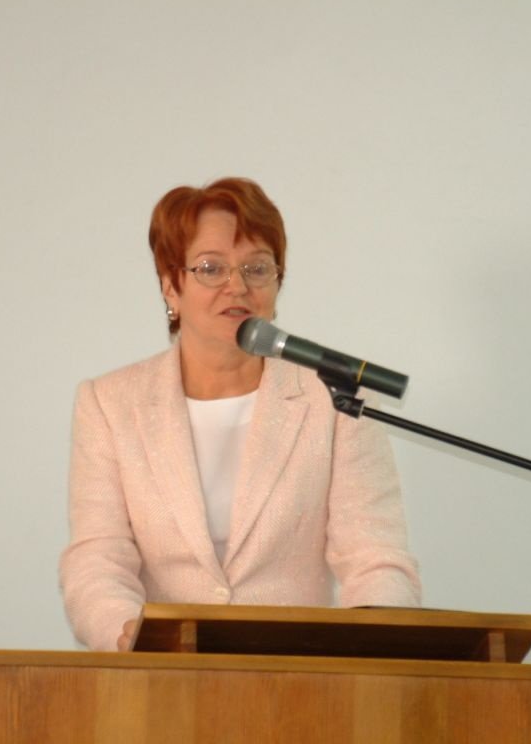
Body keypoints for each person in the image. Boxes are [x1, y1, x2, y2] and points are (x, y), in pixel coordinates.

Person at [60, 177, 420, 651]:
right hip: (163, 675)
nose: (237, 286)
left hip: (301, 676)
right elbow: (97, 558)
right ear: (170, 286)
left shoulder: (332, 400)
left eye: (257, 268)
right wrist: (129, 635)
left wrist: (374, 652)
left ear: (277, 283)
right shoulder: (110, 405)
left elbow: (375, 557)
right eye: (211, 268)